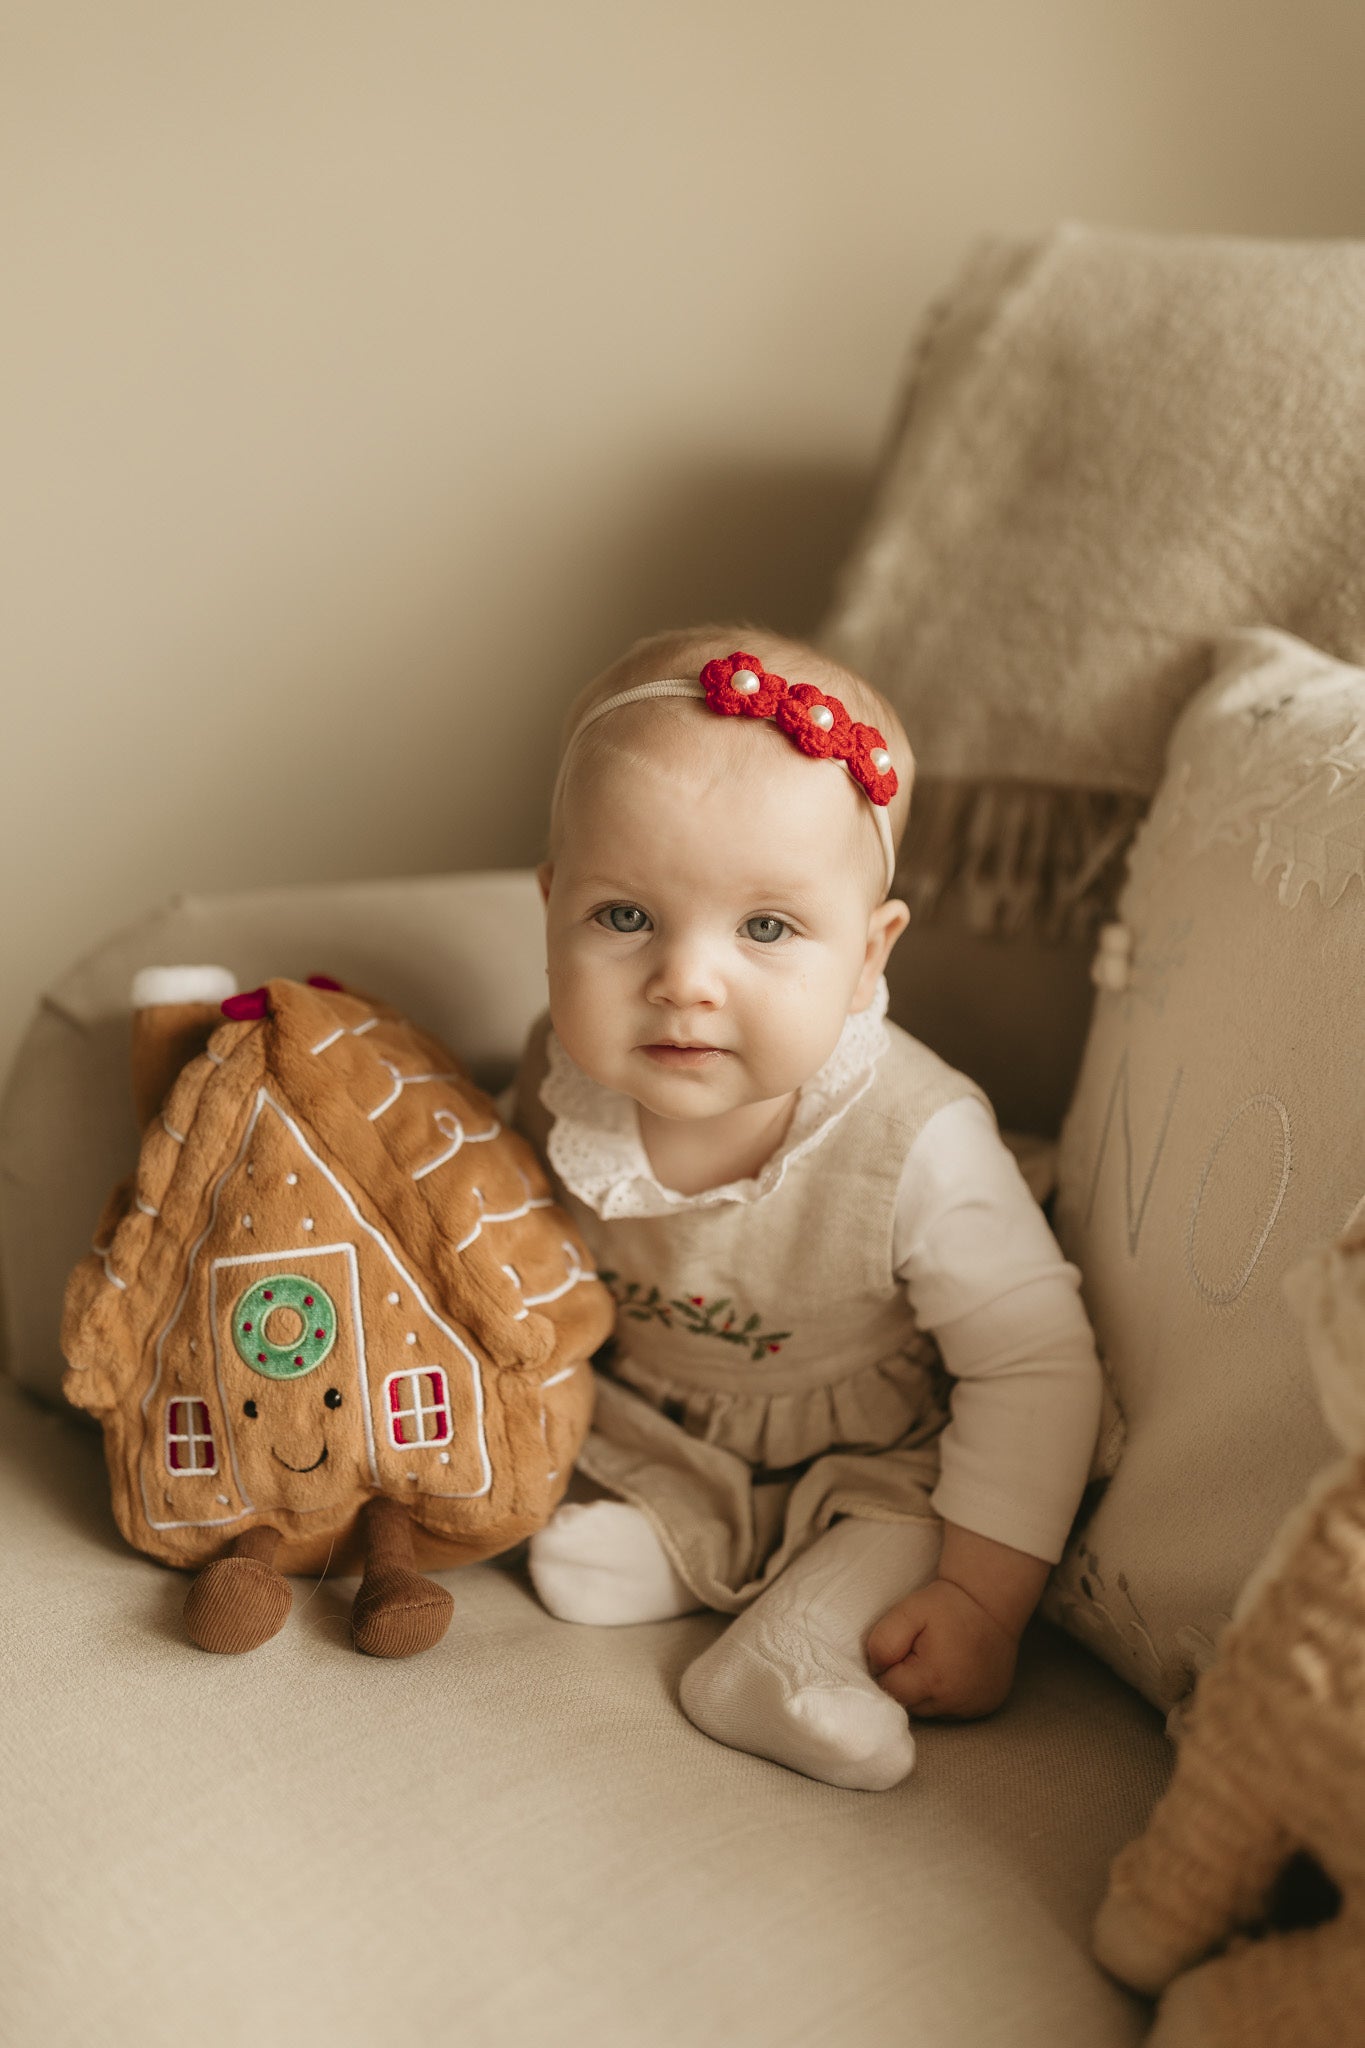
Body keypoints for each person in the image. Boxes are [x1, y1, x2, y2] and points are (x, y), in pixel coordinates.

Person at [509, 625, 1102, 1791]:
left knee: (906, 1515)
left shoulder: (913, 1138)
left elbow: (1036, 1367)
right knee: (568, 1535)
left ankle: (785, 1653)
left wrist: (982, 1598)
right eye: (622, 915)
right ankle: (696, 1551)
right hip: (664, 1419)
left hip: (883, 1449)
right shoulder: (556, 1078)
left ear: (869, 955)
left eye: (767, 927)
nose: (685, 977)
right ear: (549, 907)